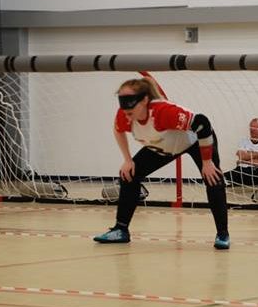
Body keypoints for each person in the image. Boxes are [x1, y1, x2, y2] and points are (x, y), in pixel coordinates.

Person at [94, 77, 229, 249]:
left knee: (213, 179)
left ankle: (223, 234)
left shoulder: (162, 112)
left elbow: (202, 123)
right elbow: (118, 130)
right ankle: (120, 230)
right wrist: (127, 160)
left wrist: (207, 162)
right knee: (129, 174)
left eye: (129, 101)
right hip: (163, 146)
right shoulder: (125, 115)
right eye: (121, 100)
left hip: (195, 141)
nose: (125, 108)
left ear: (144, 100)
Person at [224, 117, 258, 188]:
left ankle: (229, 181)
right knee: (221, 177)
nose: (252, 130)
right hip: (241, 170)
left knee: (234, 175)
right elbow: (242, 156)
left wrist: (243, 160)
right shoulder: (243, 141)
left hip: (257, 173)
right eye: (251, 128)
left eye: (255, 128)